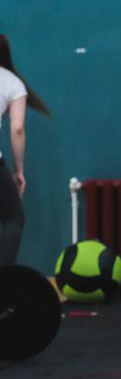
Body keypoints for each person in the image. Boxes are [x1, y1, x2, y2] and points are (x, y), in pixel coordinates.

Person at [0, 36, 49, 266]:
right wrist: (18, 170)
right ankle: (4, 280)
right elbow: (17, 129)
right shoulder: (12, 83)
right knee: (13, 217)